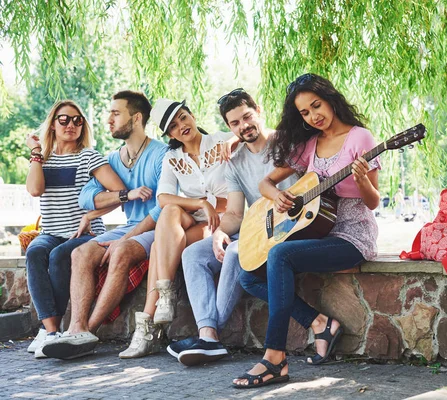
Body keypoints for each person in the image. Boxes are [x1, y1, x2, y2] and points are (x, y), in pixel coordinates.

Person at [233, 74, 380, 388]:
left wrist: (363, 179)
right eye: (305, 112)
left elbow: (373, 201)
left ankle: (274, 358)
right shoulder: (310, 144)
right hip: (320, 231)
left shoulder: (360, 138)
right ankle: (318, 321)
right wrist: (279, 197)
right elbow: (265, 183)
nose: (314, 116)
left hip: (353, 234)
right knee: (247, 274)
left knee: (280, 254)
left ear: (330, 99)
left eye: (317, 105)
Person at [166, 89, 297, 366]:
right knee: (193, 254)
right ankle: (208, 335)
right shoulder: (234, 161)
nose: (243, 126)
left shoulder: (287, 143)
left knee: (237, 251)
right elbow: (236, 213)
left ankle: (209, 337)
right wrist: (220, 232)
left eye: (247, 117)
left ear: (258, 111)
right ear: (229, 127)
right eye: (235, 123)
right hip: (261, 229)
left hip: (292, 228)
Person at [42, 91, 168, 360]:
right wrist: (118, 198)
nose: (108, 119)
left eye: (115, 113)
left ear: (136, 118)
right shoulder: (113, 159)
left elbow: (163, 206)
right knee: (81, 252)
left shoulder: (161, 154)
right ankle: (76, 328)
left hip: (156, 229)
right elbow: (86, 197)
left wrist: (127, 237)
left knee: (120, 252)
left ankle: (89, 331)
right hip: (130, 227)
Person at [119, 99, 238, 358]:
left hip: (226, 222)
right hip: (197, 222)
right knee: (170, 211)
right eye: (173, 126)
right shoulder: (173, 158)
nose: (182, 126)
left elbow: (261, 131)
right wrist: (200, 203)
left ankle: (148, 323)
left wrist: (233, 141)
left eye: (183, 117)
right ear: (170, 134)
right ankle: (164, 296)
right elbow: (162, 198)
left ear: (192, 115)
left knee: (160, 248)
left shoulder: (221, 140)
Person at [24, 100, 125, 358]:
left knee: (60, 256)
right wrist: (36, 153)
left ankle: (51, 333)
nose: (71, 125)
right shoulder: (42, 158)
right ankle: (51, 331)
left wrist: (91, 214)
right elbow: (35, 190)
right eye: (64, 119)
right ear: (53, 124)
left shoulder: (88, 156)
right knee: (35, 252)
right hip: (51, 232)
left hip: (86, 234)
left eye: (77, 120)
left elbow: (120, 192)